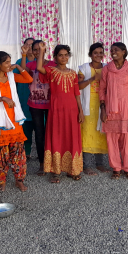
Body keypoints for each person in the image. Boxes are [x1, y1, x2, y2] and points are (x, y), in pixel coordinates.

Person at [37, 43, 84, 183]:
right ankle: (55, 171)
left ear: (69, 57)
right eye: (60, 55)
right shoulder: (51, 71)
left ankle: (73, 169)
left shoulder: (73, 73)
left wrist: (80, 111)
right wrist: (41, 50)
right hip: (56, 110)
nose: (63, 57)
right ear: (55, 57)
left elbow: (76, 94)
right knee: (56, 137)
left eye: (66, 55)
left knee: (71, 137)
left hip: (72, 110)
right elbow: (39, 68)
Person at [0, 50, 33, 191]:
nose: (10, 64)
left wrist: (19, 67)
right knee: (2, 155)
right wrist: (2, 98)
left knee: (18, 154)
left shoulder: (11, 76)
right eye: (7, 62)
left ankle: (19, 180)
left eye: (10, 61)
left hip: (15, 120)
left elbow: (28, 79)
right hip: (0, 121)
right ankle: (1, 181)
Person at [100, 43, 128, 179]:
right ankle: (116, 167)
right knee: (112, 139)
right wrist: (103, 109)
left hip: (127, 109)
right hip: (110, 109)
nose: (113, 52)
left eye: (116, 50)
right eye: (111, 50)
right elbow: (102, 90)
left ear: (124, 52)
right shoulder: (107, 69)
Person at [23, 40, 57, 175]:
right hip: (35, 104)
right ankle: (42, 163)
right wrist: (24, 55)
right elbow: (23, 70)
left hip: (51, 104)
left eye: (40, 49)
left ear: (45, 50)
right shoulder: (30, 65)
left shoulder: (53, 65)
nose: (38, 51)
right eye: (35, 49)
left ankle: (54, 163)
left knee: (53, 133)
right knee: (39, 133)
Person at [78, 43, 109, 176]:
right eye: (95, 53)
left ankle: (100, 164)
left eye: (101, 52)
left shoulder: (107, 68)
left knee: (101, 133)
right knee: (87, 133)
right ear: (90, 54)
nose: (98, 55)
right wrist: (92, 79)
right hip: (88, 105)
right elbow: (78, 87)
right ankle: (86, 165)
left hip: (103, 104)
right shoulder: (84, 68)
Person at [15, 38, 35, 156]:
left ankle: (42, 154)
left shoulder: (41, 61)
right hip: (23, 97)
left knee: (40, 128)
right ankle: (26, 153)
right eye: (27, 45)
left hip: (38, 98)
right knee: (25, 127)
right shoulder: (19, 61)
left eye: (32, 46)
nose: (29, 48)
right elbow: (21, 74)